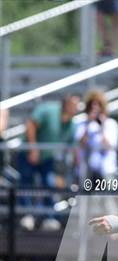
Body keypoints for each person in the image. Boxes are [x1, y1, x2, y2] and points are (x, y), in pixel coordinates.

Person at [17, 94, 79, 231]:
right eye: (73, 105)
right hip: (28, 153)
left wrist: (76, 165)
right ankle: (26, 215)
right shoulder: (48, 110)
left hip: (47, 158)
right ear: (66, 104)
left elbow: (73, 147)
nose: (76, 108)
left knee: (49, 184)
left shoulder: (71, 125)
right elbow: (31, 124)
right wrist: (33, 149)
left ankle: (49, 217)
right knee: (26, 184)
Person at [75, 90, 118, 182]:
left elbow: (109, 147)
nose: (95, 108)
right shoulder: (82, 125)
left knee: (106, 196)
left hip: (106, 170)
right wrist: (88, 125)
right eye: (92, 105)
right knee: (86, 196)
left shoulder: (111, 124)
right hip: (87, 171)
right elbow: (80, 145)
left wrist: (102, 128)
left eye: (98, 105)